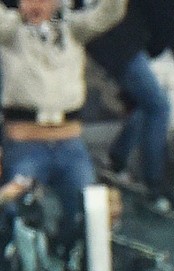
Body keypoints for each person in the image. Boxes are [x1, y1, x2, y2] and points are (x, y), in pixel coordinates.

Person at [0, 0, 126, 253]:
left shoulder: (72, 29)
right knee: (15, 213)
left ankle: (68, 263)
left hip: (70, 144)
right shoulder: (10, 31)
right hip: (25, 143)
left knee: (88, 214)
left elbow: (109, 12)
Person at [87, 0, 174, 219]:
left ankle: (117, 160)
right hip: (119, 44)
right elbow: (168, 27)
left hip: (116, 41)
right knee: (159, 107)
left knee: (149, 106)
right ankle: (154, 188)